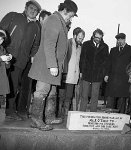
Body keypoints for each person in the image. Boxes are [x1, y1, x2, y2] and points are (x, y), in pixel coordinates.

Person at [28, 0, 78, 131]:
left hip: (52, 64)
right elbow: (49, 44)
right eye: (71, 15)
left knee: (52, 92)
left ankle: (49, 117)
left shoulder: (59, 21)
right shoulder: (54, 20)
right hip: (47, 64)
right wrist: (52, 65)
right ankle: (36, 119)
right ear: (65, 11)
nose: (71, 18)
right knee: (42, 91)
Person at [0, 0, 41, 120]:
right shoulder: (13, 16)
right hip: (5, 58)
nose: (33, 11)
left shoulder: (36, 26)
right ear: (26, 8)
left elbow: (36, 44)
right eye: (31, 8)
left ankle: (12, 111)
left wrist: (32, 56)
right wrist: (3, 51)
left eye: (36, 10)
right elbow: (1, 31)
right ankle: (9, 111)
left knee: (14, 86)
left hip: (21, 61)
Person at [105, 33, 131, 113]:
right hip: (113, 79)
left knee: (122, 102)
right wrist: (106, 74)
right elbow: (109, 63)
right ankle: (110, 118)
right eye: (118, 39)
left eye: (121, 39)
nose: (119, 41)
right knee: (110, 101)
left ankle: (121, 120)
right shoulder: (113, 50)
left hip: (124, 80)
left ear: (124, 39)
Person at [79, 28, 109, 112]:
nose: (98, 39)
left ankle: (92, 114)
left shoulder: (105, 47)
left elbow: (106, 62)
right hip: (86, 74)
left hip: (97, 75)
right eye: (96, 37)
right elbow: (82, 59)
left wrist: (105, 74)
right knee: (84, 95)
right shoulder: (86, 44)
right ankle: (81, 113)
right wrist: (81, 71)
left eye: (100, 38)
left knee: (95, 96)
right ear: (93, 36)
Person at [58, 27, 85, 118]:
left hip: (73, 76)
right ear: (74, 35)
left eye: (82, 38)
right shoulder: (67, 43)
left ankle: (66, 115)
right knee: (61, 96)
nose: (81, 40)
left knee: (69, 96)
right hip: (64, 74)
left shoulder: (81, 47)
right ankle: (58, 114)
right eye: (79, 38)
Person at [0, 29, 12, 107]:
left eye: (2, 39)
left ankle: (1, 117)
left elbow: (8, 67)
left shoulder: (2, 49)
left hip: (2, 80)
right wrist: (1, 59)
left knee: (2, 104)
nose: (0, 41)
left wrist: (8, 60)